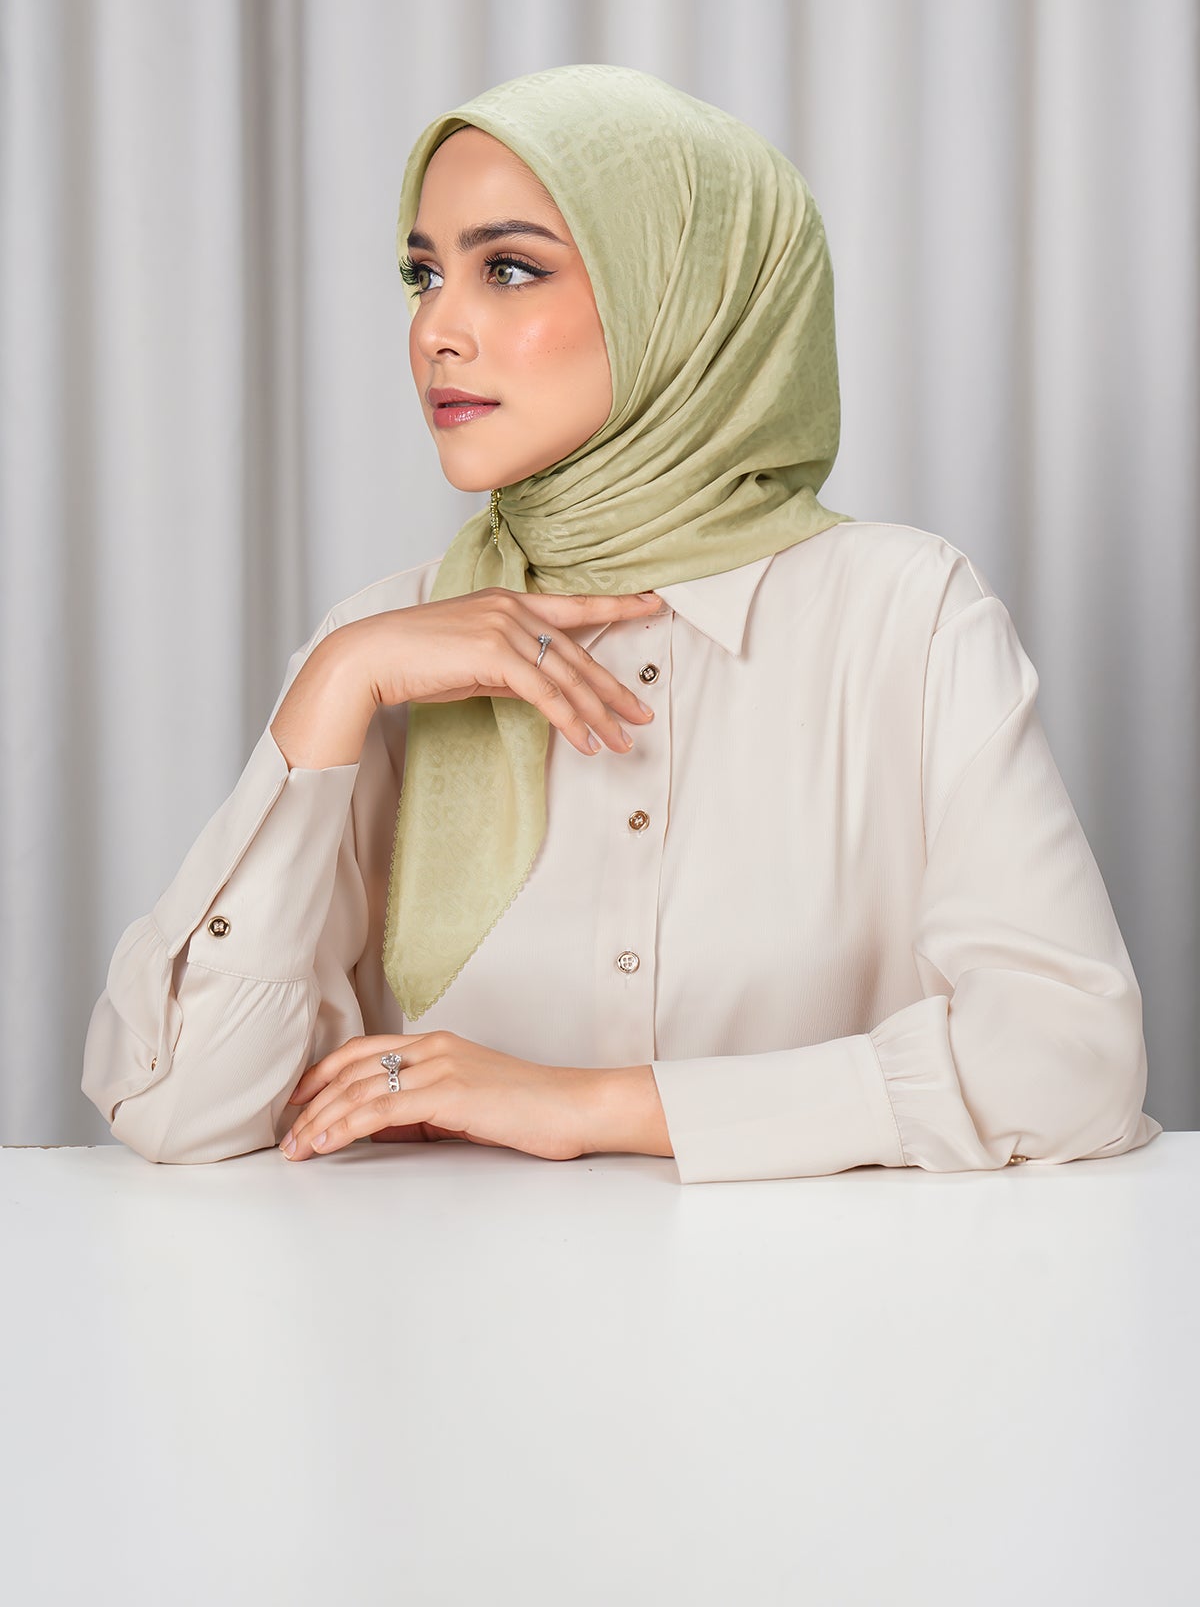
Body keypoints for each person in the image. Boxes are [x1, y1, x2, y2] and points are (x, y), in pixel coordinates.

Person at [80, 63, 1162, 1180]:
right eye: (423, 275)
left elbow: (1069, 1064)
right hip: (443, 1291)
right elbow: (177, 1108)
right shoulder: (387, 642)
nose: (436, 328)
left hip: (823, 1294)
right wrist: (335, 685)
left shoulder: (905, 617)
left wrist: (587, 1105)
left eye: (508, 269)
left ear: (684, 298)